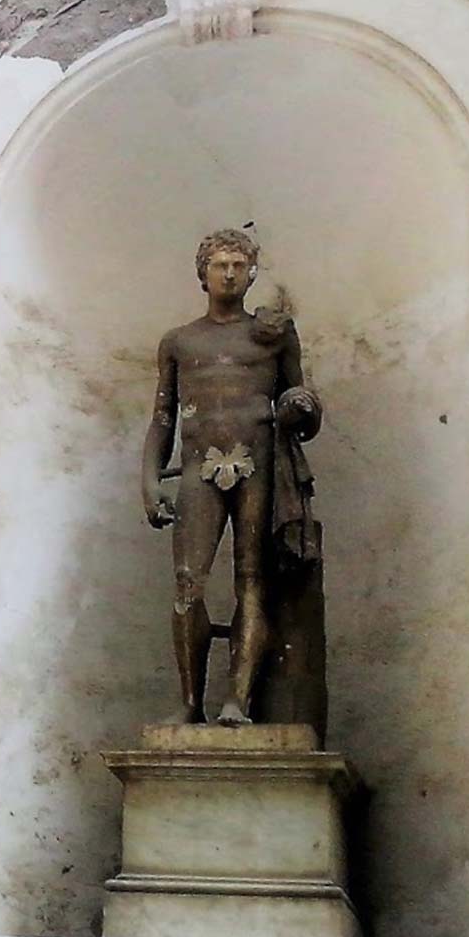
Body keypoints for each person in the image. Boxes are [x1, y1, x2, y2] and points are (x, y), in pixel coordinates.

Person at [142, 229, 319, 725]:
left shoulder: (273, 334)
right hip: (199, 466)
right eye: (219, 265)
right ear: (202, 273)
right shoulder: (179, 341)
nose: (229, 274)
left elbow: (302, 397)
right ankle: (189, 702)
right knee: (187, 584)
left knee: (252, 581)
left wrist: (298, 407)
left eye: (238, 266)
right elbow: (162, 418)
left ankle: (237, 700)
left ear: (253, 273)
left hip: (258, 464)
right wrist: (150, 479)